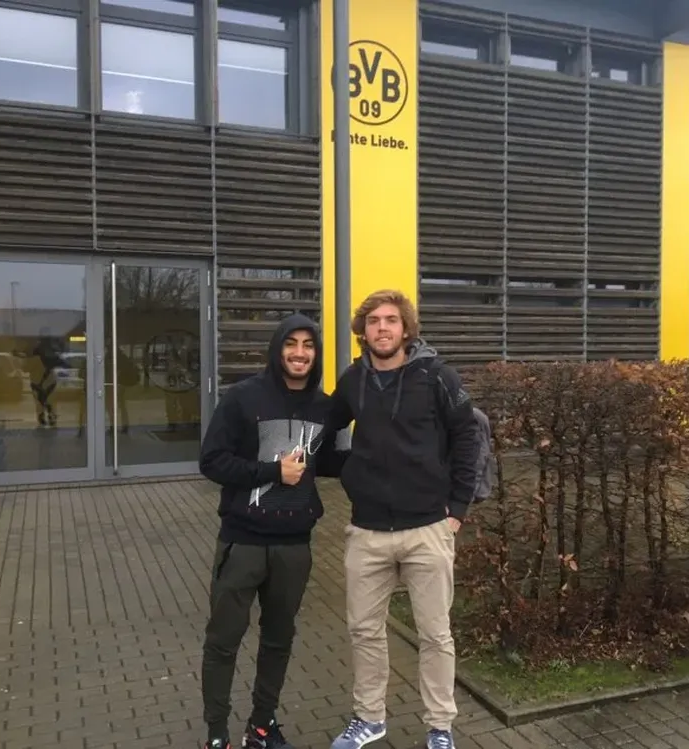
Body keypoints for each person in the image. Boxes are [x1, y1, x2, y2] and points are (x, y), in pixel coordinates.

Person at [325, 290, 480, 749]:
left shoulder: (436, 376)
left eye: (391, 320)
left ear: (406, 328)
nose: (382, 328)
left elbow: (467, 436)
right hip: (367, 531)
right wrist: (349, 471)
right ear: (363, 330)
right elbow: (326, 426)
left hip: (428, 528)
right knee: (363, 630)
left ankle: (440, 727)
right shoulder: (353, 379)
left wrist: (457, 510)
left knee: (435, 634)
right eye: (373, 321)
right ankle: (369, 718)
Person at [198, 313, 345, 749]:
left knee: (279, 640)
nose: (300, 353)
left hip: (294, 545)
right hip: (243, 541)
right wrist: (272, 472)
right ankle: (217, 734)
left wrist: (380, 460)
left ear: (316, 354)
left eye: (308, 345)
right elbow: (212, 461)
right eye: (291, 343)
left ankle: (261, 727)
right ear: (278, 348)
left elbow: (328, 462)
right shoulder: (244, 398)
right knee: (223, 641)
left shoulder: (324, 407)